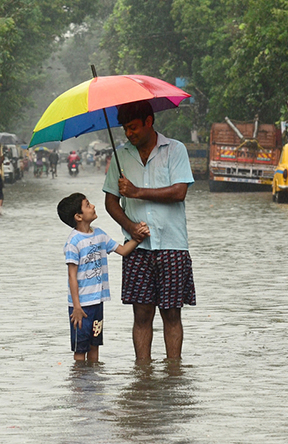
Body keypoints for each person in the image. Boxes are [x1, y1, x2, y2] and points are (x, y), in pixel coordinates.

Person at [102, 100, 196, 362]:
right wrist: (130, 227)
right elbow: (110, 201)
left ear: (149, 122)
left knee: (172, 314)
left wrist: (137, 192)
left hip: (172, 245)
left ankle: (173, 372)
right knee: (141, 315)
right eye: (125, 130)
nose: (129, 134)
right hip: (137, 248)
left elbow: (179, 192)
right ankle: (142, 374)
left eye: (133, 128)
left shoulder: (175, 150)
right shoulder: (120, 156)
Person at [57, 193, 149, 363]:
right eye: (87, 205)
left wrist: (138, 237)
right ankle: (79, 385)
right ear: (78, 216)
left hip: (97, 302)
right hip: (81, 306)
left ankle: (94, 384)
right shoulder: (73, 242)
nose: (92, 206)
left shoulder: (99, 234)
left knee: (94, 345)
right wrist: (76, 306)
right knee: (80, 349)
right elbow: (72, 276)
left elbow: (122, 250)